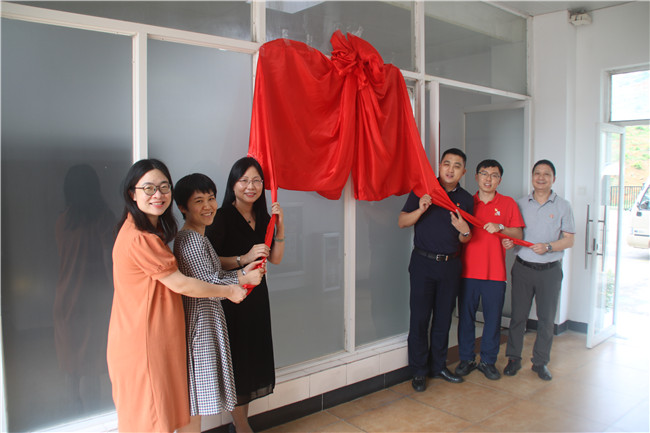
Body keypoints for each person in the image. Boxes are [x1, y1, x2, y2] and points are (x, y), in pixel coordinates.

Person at [107, 159, 248, 433]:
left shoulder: (148, 231)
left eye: (164, 187)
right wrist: (229, 290)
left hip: (154, 337)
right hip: (145, 342)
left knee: (166, 415)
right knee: (152, 420)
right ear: (132, 193)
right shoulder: (141, 238)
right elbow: (182, 284)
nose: (158, 195)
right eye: (148, 188)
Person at [173, 173, 265, 433]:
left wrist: (243, 272)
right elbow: (208, 284)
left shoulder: (198, 237)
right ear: (182, 207)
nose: (208, 206)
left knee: (197, 401)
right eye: (198, 201)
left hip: (207, 323)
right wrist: (243, 277)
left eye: (211, 198)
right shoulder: (190, 240)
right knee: (194, 403)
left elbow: (211, 276)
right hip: (200, 327)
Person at [206, 156, 285, 433]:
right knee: (237, 363)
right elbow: (210, 262)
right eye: (244, 180)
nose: (251, 187)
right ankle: (241, 427)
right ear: (233, 184)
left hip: (257, 298)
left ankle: (240, 424)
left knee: (251, 362)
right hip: (232, 297)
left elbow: (275, 258)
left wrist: (280, 226)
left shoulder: (263, 217)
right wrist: (244, 258)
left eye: (256, 181)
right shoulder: (221, 217)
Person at [398, 148, 474, 392]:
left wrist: (464, 230)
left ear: (463, 172)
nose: (450, 169)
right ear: (439, 166)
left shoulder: (467, 199)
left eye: (457, 165)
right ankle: (419, 371)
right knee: (419, 319)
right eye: (446, 163)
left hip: (450, 265)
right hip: (423, 263)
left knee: (443, 319)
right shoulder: (423, 189)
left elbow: (466, 239)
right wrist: (421, 209)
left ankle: (438, 366)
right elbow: (402, 222)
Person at [501, 159, 575, 381]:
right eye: (537, 173)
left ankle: (540, 363)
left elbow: (569, 240)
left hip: (550, 271)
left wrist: (548, 247)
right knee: (518, 317)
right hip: (523, 268)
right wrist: (509, 242)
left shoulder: (563, 206)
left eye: (546, 174)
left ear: (554, 179)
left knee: (546, 319)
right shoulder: (519, 204)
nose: (541, 178)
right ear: (532, 177)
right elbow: (513, 234)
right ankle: (513, 359)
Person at [54, 164, 116, 413]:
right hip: (92, 301)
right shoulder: (103, 218)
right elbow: (109, 261)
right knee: (91, 363)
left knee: (71, 362)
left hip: (65, 297)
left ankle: (75, 413)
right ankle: (93, 415)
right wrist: (118, 294)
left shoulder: (63, 220)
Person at [455, 160, 524, 381]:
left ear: (499, 180)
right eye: (484, 174)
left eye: (494, 175)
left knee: (493, 320)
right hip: (467, 272)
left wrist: (501, 228)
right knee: (466, 319)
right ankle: (466, 359)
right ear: (476, 177)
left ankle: (488, 361)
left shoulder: (508, 203)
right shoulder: (467, 202)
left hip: (495, 274)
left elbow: (518, 234)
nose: (488, 179)